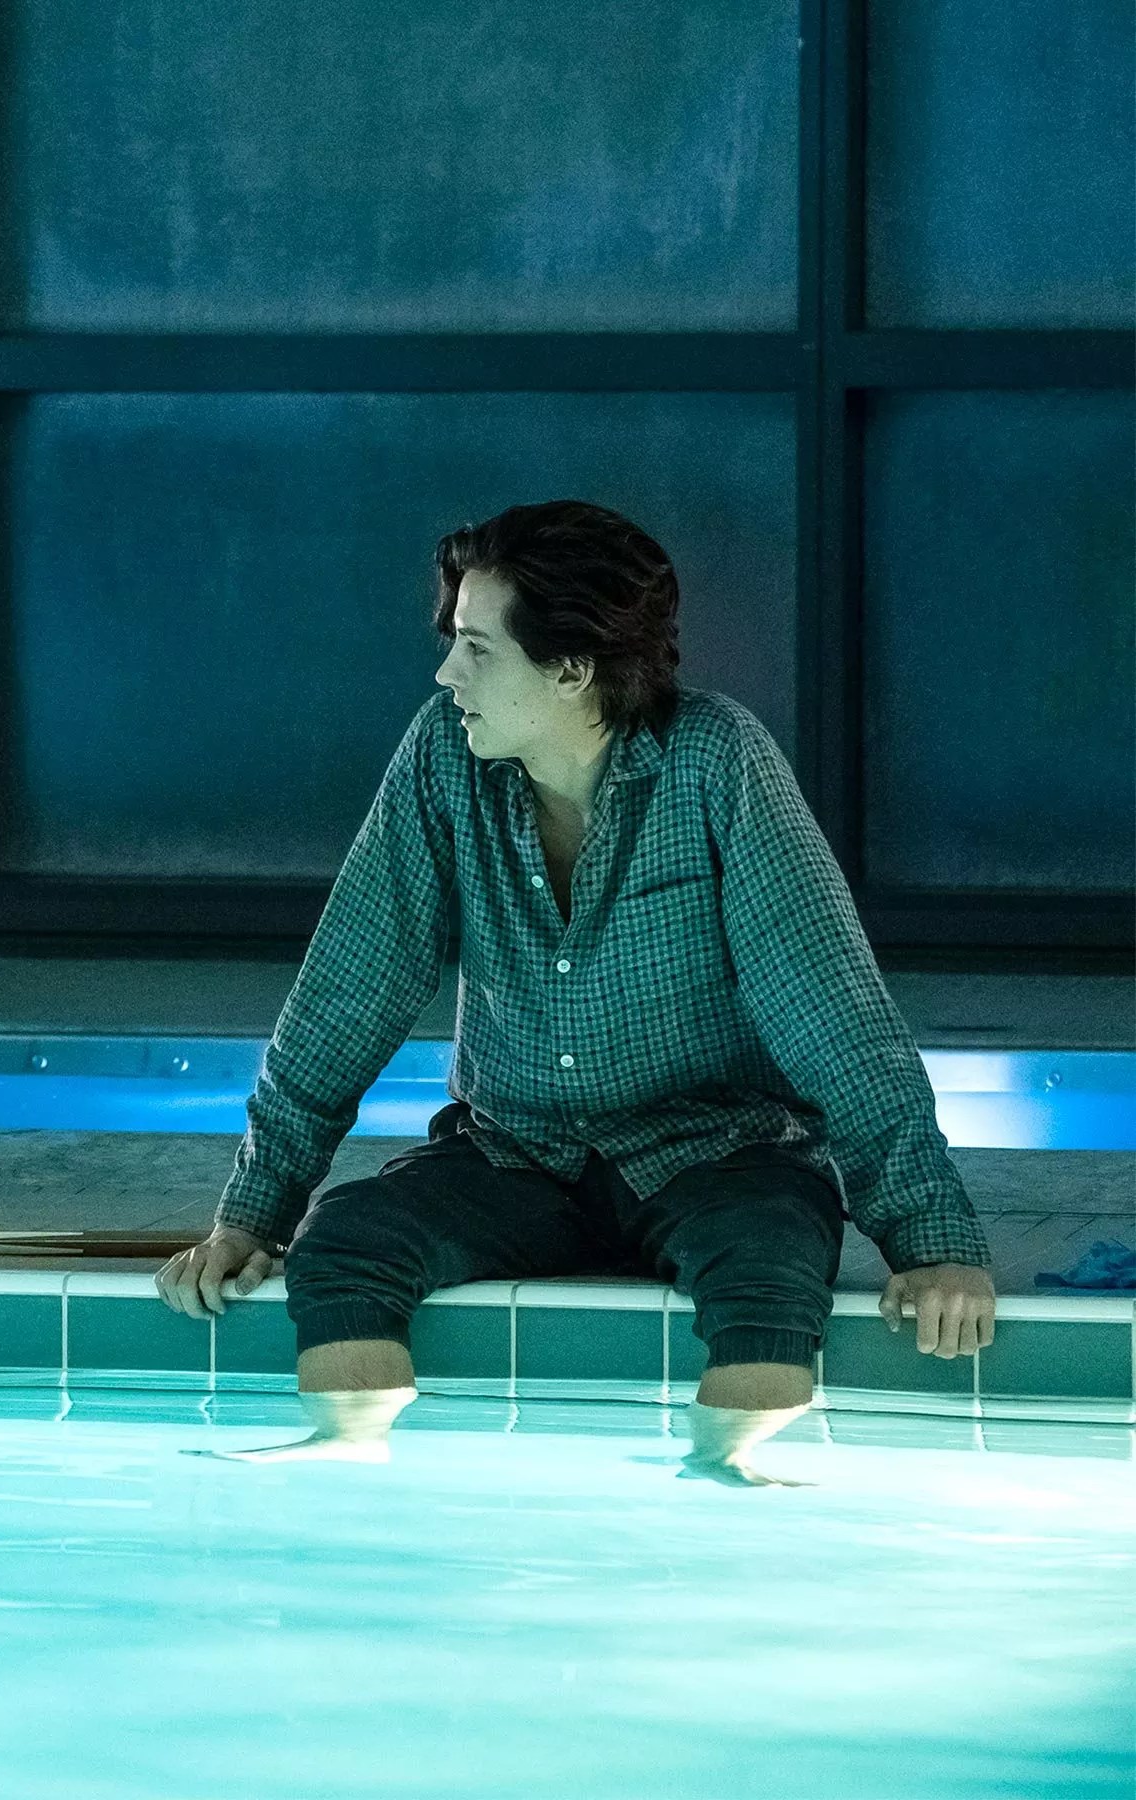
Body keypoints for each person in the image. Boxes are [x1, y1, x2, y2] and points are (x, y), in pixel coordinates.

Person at [156, 500, 996, 1485]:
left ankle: (730, 1474)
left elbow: (831, 1015)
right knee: (344, 1244)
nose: (446, 675)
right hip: (515, 1154)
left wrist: (930, 1241)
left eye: (477, 649)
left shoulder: (716, 760)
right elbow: (349, 992)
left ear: (570, 668)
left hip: (718, 1155)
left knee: (771, 1264)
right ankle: (345, 1456)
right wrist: (254, 1217)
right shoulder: (442, 757)